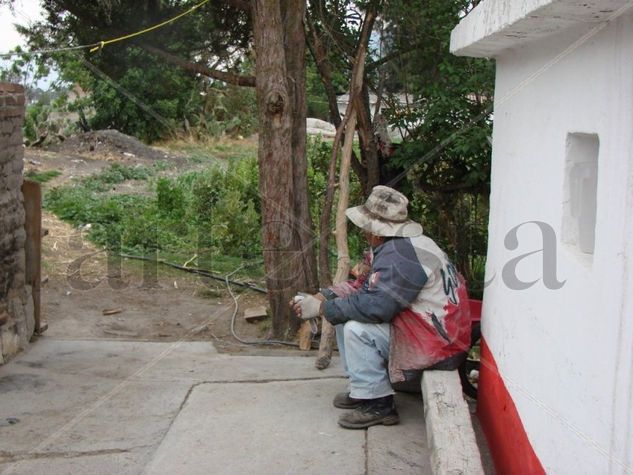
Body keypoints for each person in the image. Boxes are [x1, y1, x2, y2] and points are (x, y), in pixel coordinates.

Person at [292, 185, 471, 430]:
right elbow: (363, 286)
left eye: (366, 226)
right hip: (437, 333)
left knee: (357, 328)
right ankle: (363, 389)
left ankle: (379, 405)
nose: (364, 232)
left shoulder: (401, 256)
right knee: (347, 316)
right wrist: (323, 297)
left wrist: (325, 309)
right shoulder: (401, 246)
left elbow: (378, 307)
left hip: (439, 346)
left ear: (376, 231)